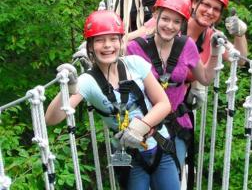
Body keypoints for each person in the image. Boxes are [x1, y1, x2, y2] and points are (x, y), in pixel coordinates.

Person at [45, 10, 181, 190]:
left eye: (113, 39)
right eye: (100, 40)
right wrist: (67, 90)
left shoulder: (135, 63)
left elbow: (164, 104)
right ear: (90, 46)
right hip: (130, 158)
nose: (107, 45)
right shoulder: (87, 82)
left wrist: (140, 127)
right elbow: (51, 119)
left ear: (121, 42)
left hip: (160, 147)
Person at [126, 0, 226, 171]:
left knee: (172, 175)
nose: (170, 26)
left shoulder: (187, 45)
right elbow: (114, 67)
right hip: (141, 124)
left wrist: (215, 52)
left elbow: (204, 78)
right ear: (155, 16)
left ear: (183, 24)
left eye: (177, 22)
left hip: (176, 124)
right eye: (165, 19)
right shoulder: (134, 48)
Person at [186, 0, 248, 106]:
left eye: (216, 9)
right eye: (206, 5)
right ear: (194, 3)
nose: (210, 12)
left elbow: (240, 60)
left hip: (178, 101)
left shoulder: (213, 39)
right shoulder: (171, 24)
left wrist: (239, 34)